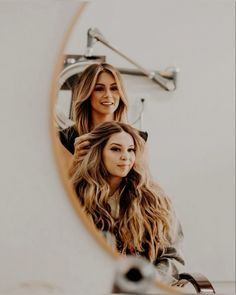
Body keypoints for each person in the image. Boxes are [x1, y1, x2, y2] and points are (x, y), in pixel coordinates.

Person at [71, 121, 185, 283]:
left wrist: (149, 282)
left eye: (131, 150)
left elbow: (171, 256)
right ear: (98, 152)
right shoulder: (75, 196)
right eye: (115, 149)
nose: (125, 156)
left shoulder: (155, 200)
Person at [58, 63, 148, 175]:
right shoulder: (64, 139)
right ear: (88, 93)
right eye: (99, 89)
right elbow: (61, 185)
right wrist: (76, 161)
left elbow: (143, 183)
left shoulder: (138, 138)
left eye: (114, 88)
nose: (108, 95)